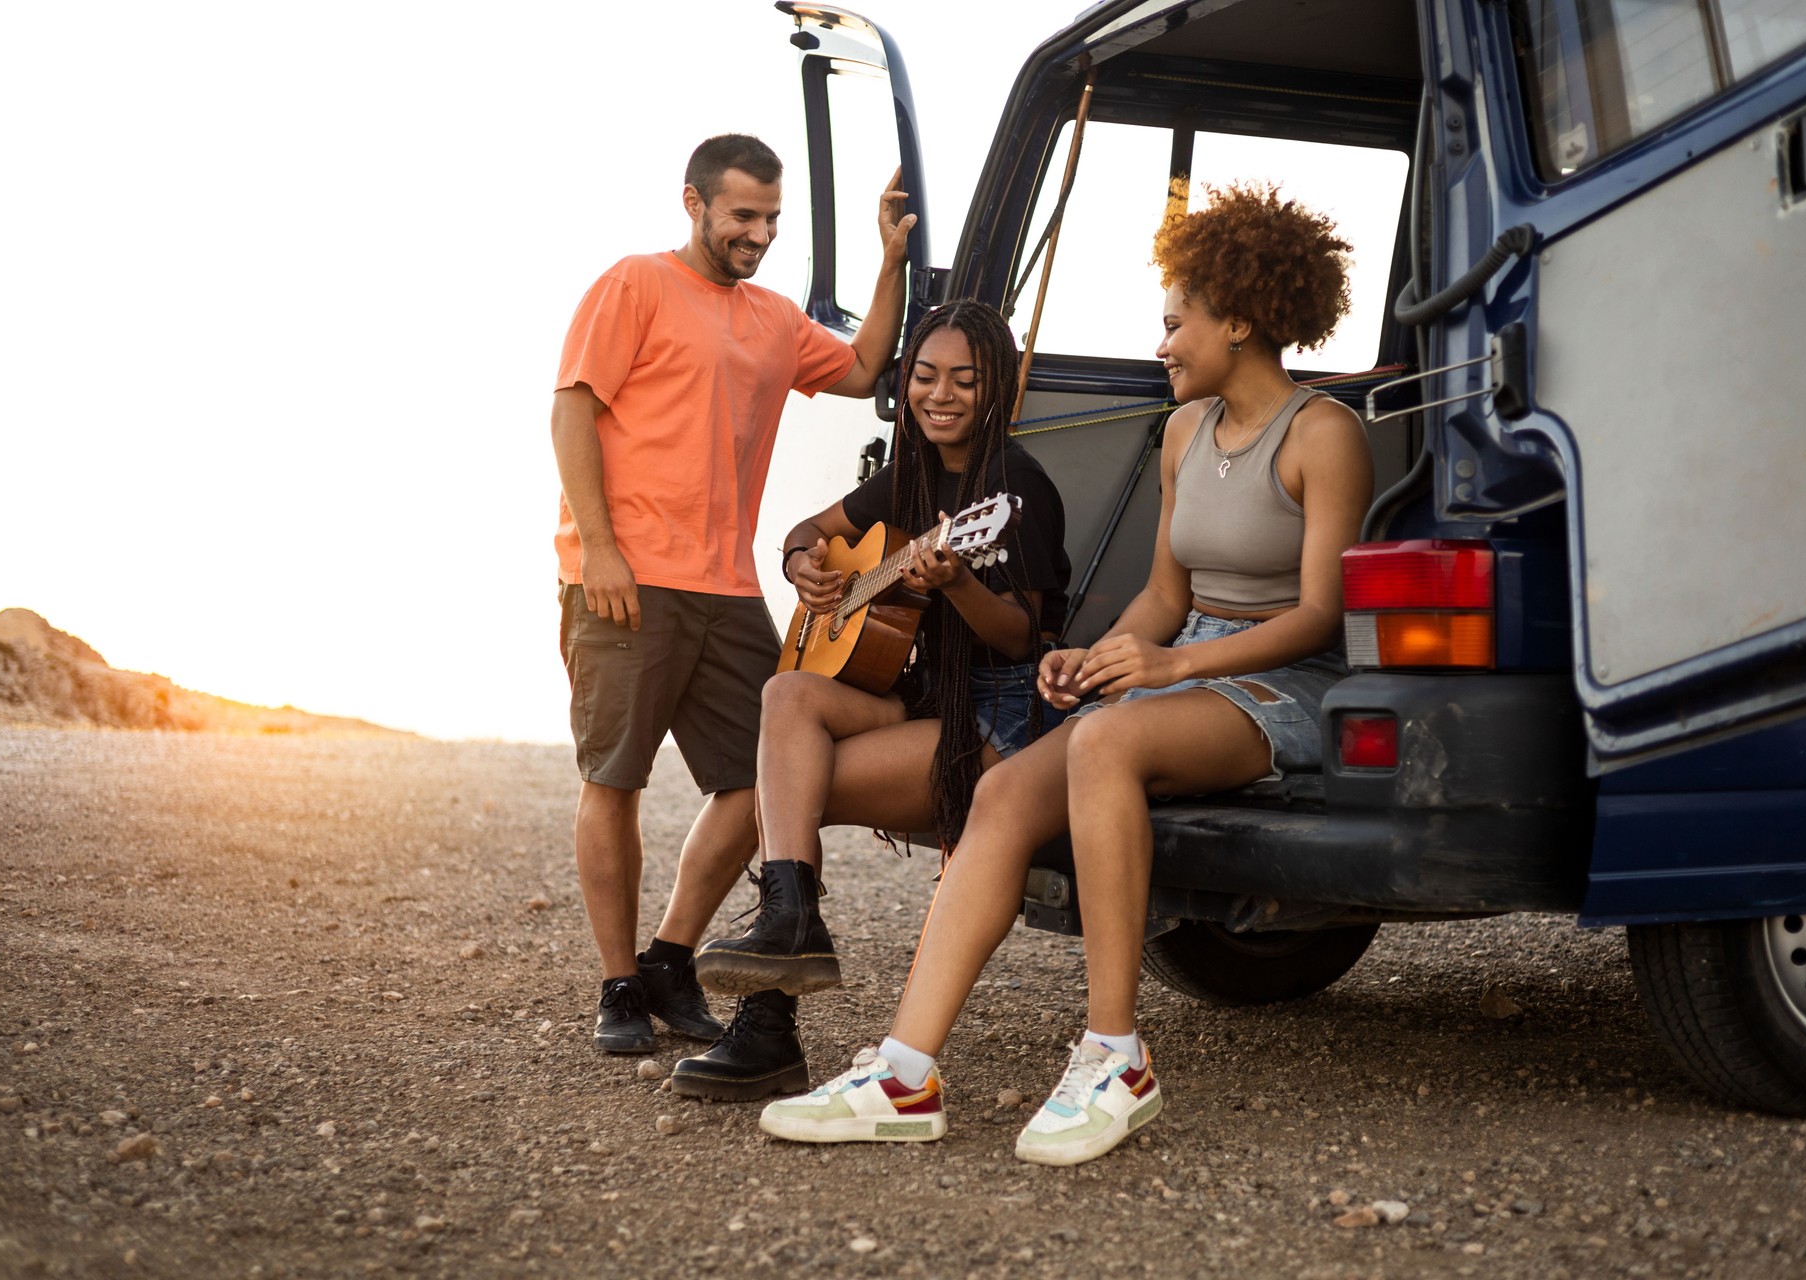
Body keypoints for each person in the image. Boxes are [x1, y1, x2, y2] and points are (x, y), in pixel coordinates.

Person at [756, 183, 1373, 1162]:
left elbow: (1320, 613)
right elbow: (1164, 594)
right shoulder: (1182, 432)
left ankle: (1115, 1054)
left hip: (1279, 676)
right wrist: (1095, 656)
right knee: (1002, 791)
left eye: (1176, 324)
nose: (1162, 345)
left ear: (1242, 319)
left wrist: (1171, 664)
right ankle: (906, 1073)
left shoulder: (1323, 434)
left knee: (1110, 741)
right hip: (1187, 658)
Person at [550, 133, 915, 1057]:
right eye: (743, 215)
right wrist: (600, 549)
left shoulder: (774, 318)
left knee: (761, 782)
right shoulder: (633, 284)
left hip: (727, 584)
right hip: (627, 578)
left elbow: (867, 368)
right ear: (696, 204)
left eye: (771, 219)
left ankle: (670, 958)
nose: (758, 233)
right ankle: (617, 986)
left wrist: (890, 258)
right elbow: (573, 409)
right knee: (614, 780)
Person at [671, 300, 1070, 1100]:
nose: (941, 395)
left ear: (997, 388)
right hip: (925, 698)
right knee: (788, 694)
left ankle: (768, 1026)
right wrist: (800, 566)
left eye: (965, 378)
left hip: (994, 722)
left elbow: (1023, 639)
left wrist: (954, 581)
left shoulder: (1014, 489)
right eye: (924, 376)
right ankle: (791, 929)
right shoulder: (910, 471)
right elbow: (806, 529)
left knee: (790, 789)